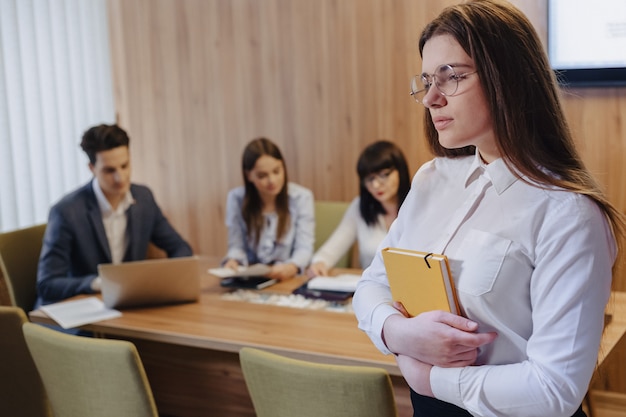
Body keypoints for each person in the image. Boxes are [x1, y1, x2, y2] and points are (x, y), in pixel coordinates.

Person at [352, 1, 625, 417]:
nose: (430, 98)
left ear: (509, 80)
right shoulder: (431, 180)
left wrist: (428, 377)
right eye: (426, 80)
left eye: (451, 77)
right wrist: (400, 332)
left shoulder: (569, 215)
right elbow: (372, 285)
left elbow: (555, 390)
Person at [37, 124, 193, 307]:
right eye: (109, 171)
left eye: (125, 166)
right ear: (92, 168)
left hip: (128, 306)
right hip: (83, 313)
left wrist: (161, 281)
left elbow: (180, 248)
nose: (120, 178)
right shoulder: (66, 211)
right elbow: (47, 284)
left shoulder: (143, 198)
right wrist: (98, 283)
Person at [307, 140, 411, 277]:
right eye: (369, 178)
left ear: (400, 171)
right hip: (372, 288)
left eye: (383, 175)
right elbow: (333, 247)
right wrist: (319, 263)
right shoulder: (360, 206)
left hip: (412, 287)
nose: (376, 185)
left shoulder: (418, 205)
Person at [223, 137, 314, 280]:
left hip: (286, 277)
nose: (272, 181)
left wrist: (292, 266)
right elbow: (236, 245)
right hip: (251, 277)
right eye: (262, 175)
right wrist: (233, 261)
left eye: (277, 171)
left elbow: (304, 248)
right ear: (249, 176)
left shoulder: (301, 197)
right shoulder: (236, 198)